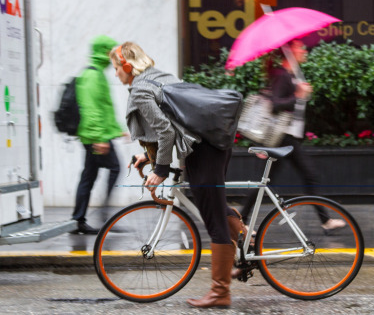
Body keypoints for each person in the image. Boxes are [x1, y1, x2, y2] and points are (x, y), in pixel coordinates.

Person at [109, 41, 244, 308]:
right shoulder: (160, 77)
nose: (115, 74)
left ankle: (220, 292)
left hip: (203, 151)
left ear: (127, 66)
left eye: (115, 67)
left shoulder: (139, 90)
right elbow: (174, 124)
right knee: (211, 206)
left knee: (213, 217)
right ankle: (244, 239)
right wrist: (147, 157)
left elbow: (166, 131)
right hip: (209, 147)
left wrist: (159, 170)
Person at [239, 39, 346, 231]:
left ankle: (242, 220)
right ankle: (325, 221)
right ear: (289, 51)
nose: (304, 50)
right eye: (300, 47)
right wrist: (298, 95)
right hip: (282, 138)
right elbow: (276, 105)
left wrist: (300, 93)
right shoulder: (283, 76)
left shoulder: (290, 75)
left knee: (265, 181)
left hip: (287, 137)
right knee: (306, 176)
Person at [71, 35, 123, 234]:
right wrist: (100, 138)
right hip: (95, 136)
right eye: (113, 52)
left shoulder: (97, 73)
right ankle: (104, 216)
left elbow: (104, 108)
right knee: (114, 168)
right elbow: (91, 109)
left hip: (96, 134)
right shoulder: (92, 75)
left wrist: (116, 129)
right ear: (105, 52)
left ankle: (80, 220)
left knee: (89, 176)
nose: (115, 57)